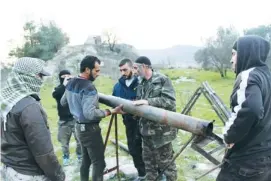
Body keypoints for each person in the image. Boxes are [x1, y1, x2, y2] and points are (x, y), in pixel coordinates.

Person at [1, 57, 65, 181]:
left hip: (10, 169)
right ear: (29, 76)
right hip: (29, 174)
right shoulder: (29, 107)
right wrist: (59, 176)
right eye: (40, 76)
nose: (41, 80)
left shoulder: (6, 101)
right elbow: (44, 154)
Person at [60, 55, 124, 181]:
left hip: (78, 127)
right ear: (87, 70)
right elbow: (90, 113)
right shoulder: (88, 87)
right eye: (97, 70)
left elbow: (63, 102)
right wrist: (111, 111)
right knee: (99, 164)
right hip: (90, 129)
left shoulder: (71, 82)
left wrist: (75, 102)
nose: (98, 74)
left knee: (86, 161)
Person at [217, 35, 271, 181]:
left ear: (247, 52)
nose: (231, 59)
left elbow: (251, 109)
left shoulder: (248, 75)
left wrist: (229, 136)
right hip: (265, 158)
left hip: (246, 161)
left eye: (234, 54)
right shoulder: (267, 76)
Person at [132, 56, 177, 181]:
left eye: (136, 68)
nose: (134, 71)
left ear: (145, 66)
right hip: (146, 132)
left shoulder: (162, 80)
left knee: (167, 166)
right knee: (149, 165)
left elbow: (170, 102)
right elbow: (141, 104)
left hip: (162, 133)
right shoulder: (141, 83)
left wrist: (148, 101)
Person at [112, 58, 146, 180]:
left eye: (125, 69)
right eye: (120, 70)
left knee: (149, 150)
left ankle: (157, 173)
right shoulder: (117, 87)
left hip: (145, 123)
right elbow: (114, 102)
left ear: (132, 68)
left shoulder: (142, 83)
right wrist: (117, 109)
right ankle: (142, 174)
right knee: (133, 148)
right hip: (129, 123)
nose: (122, 73)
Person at [52, 69, 82, 166]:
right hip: (63, 121)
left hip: (75, 119)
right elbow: (55, 95)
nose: (66, 79)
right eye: (63, 77)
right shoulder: (57, 89)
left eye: (68, 76)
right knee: (64, 143)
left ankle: (80, 157)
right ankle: (66, 157)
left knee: (80, 141)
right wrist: (64, 85)